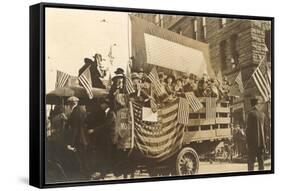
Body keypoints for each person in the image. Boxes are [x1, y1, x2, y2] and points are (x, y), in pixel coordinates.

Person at [66, 96, 90, 178]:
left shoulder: (75, 112)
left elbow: (75, 129)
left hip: (78, 139)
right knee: (84, 158)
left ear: (70, 104)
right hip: (84, 139)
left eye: (69, 104)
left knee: (80, 158)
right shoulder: (82, 110)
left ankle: (83, 176)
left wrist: (71, 144)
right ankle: (87, 175)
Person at [246, 96, 266, 171]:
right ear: (257, 104)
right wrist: (264, 143)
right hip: (261, 143)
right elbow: (265, 130)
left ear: (252, 105)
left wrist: (247, 142)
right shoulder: (263, 115)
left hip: (252, 143)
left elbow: (248, 130)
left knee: (251, 163)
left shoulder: (250, 114)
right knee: (261, 163)